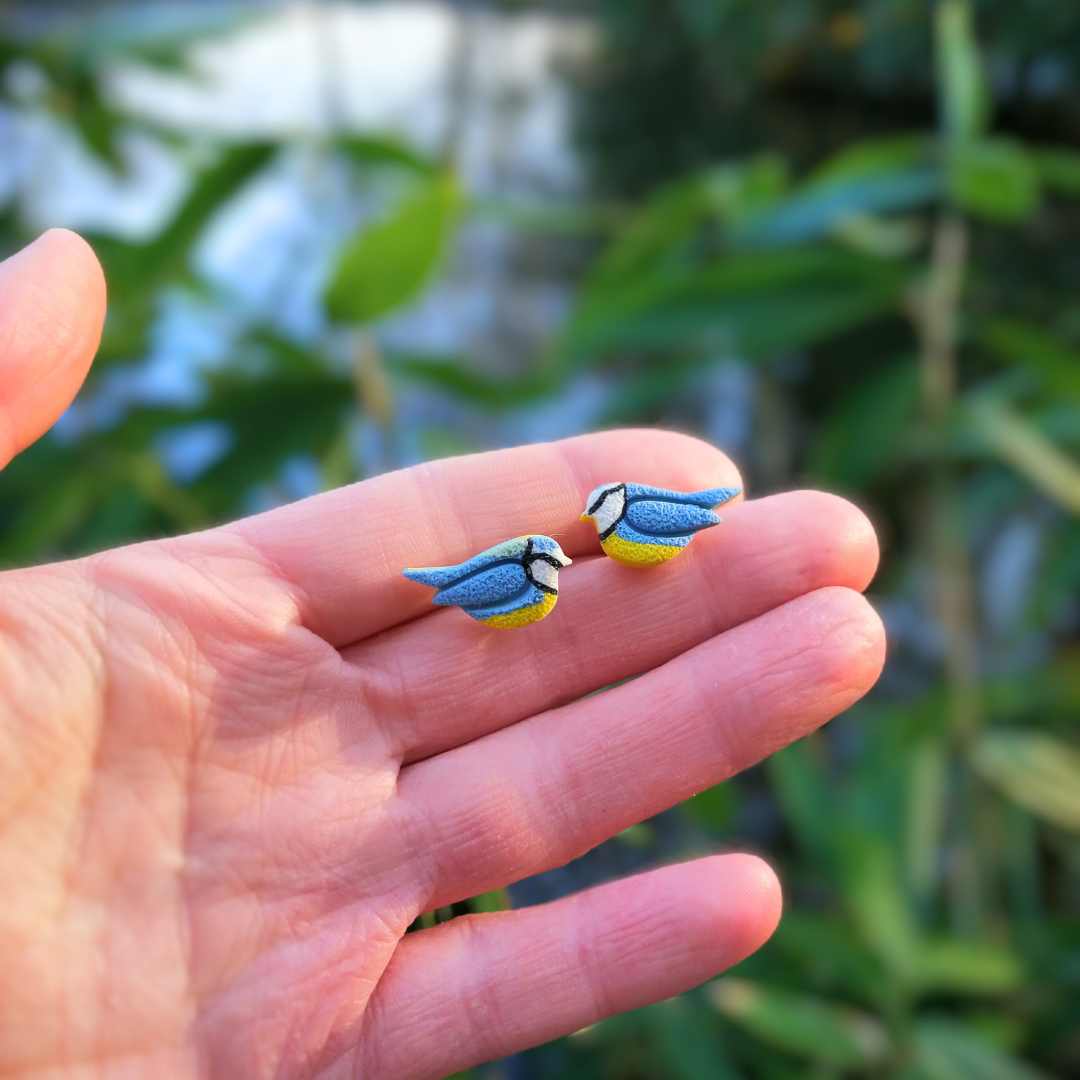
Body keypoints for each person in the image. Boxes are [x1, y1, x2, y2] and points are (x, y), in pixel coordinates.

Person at [0, 230, 885, 1080]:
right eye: (562, 548)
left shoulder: (608, 544)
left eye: (589, 527)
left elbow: (668, 526)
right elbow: (468, 588)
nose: (571, 547)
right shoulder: (519, 585)